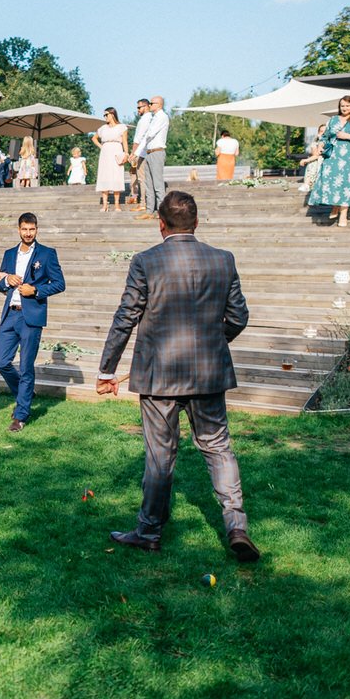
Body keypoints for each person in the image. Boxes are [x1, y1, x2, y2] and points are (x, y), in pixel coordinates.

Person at [96, 191, 259, 562]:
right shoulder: (223, 260)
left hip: (159, 375)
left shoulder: (146, 261)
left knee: (160, 456)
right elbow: (239, 317)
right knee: (218, 448)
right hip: (208, 372)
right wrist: (214, 343)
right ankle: (236, 525)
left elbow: (126, 317)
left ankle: (149, 530)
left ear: (161, 224)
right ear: (197, 223)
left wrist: (107, 369)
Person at [0, 213, 65, 433]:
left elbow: (60, 283)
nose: (28, 233)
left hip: (31, 316)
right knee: (1, 361)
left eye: (31, 229)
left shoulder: (47, 254)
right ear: (18, 229)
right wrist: (6, 280)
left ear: (36, 230)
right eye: (24, 229)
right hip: (10, 315)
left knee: (26, 366)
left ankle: (21, 415)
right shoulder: (9, 254)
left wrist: (35, 290)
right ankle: (25, 394)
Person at [308, 96, 350, 228]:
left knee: (347, 185)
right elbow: (324, 136)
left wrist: (348, 136)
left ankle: (343, 214)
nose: (345, 108)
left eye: (347, 105)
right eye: (342, 106)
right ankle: (335, 206)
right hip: (333, 156)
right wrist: (320, 146)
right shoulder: (333, 120)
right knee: (332, 182)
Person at [131, 96, 170, 219]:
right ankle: (149, 211)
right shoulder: (154, 118)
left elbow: (150, 134)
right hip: (149, 152)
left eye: (152, 103)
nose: (150, 105)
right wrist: (136, 153)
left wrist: (137, 151)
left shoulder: (162, 117)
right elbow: (146, 137)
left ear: (158, 104)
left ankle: (161, 211)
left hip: (157, 152)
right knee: (148, 184)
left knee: (158, 184)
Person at [91, 108, 128, 212]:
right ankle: (104, 205)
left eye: (106, 115)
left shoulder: (121, 127)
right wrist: (101, 146)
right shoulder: (103, 128)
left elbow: (124, 141)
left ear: (112, 114)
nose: (105, 117)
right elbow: (94, 138)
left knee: (117, 175)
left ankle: (117, 204)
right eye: (104, 115)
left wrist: (126, 153)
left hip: (117, 149)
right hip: (105, 151)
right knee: (104, 175)